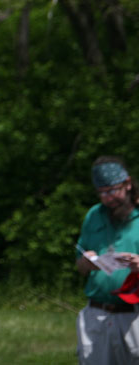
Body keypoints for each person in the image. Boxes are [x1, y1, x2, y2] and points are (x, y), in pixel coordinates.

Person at [75, 156, 139, 364]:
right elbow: (80, 265)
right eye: (102, 193)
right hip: (97, 315)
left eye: (112, 190)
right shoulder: (94, 215)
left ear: (128, 184)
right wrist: (87, 262)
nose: (108, 198)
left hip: (134, 315)